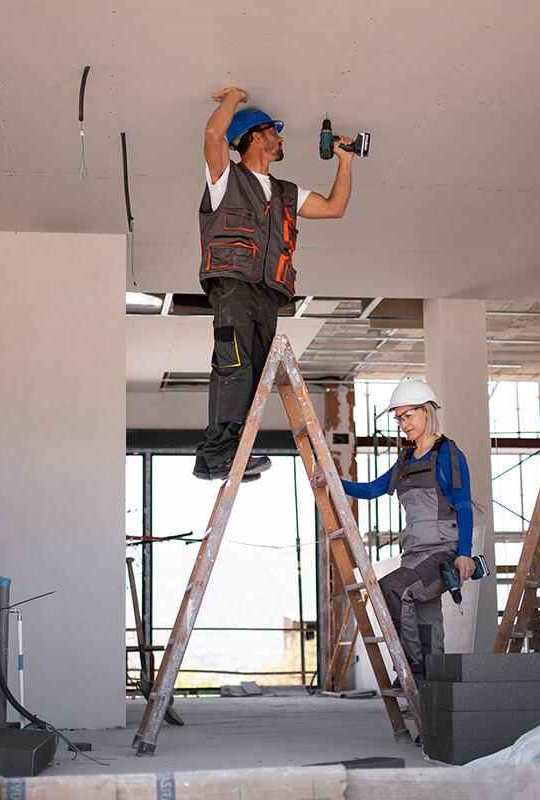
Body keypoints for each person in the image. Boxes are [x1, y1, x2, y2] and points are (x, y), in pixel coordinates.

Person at [194, 86, 358, 481]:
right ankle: (219, 452)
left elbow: (334, 208)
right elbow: (214, 137)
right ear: (254, 137)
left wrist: (345, 161)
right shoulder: (225, 178)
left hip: (268, 293)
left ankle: (223, 453)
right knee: (234, 366)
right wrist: (232, 97)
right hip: (233, 284)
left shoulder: (287, 193)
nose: (280, 138)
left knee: (254, 377)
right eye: (274, 131)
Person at [341, 378, 476, 680]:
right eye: (398, 417)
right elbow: (373, 488)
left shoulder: (448, 455)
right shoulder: (405, 460)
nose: (402, 423)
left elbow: (464, 506)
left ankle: (410, 670)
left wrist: (464, 554)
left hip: (442, 552)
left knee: (391, 588)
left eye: (408, 415)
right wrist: (333, 483)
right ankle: (431, 699)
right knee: (428, 628)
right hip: (413, 555)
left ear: (427, 411)